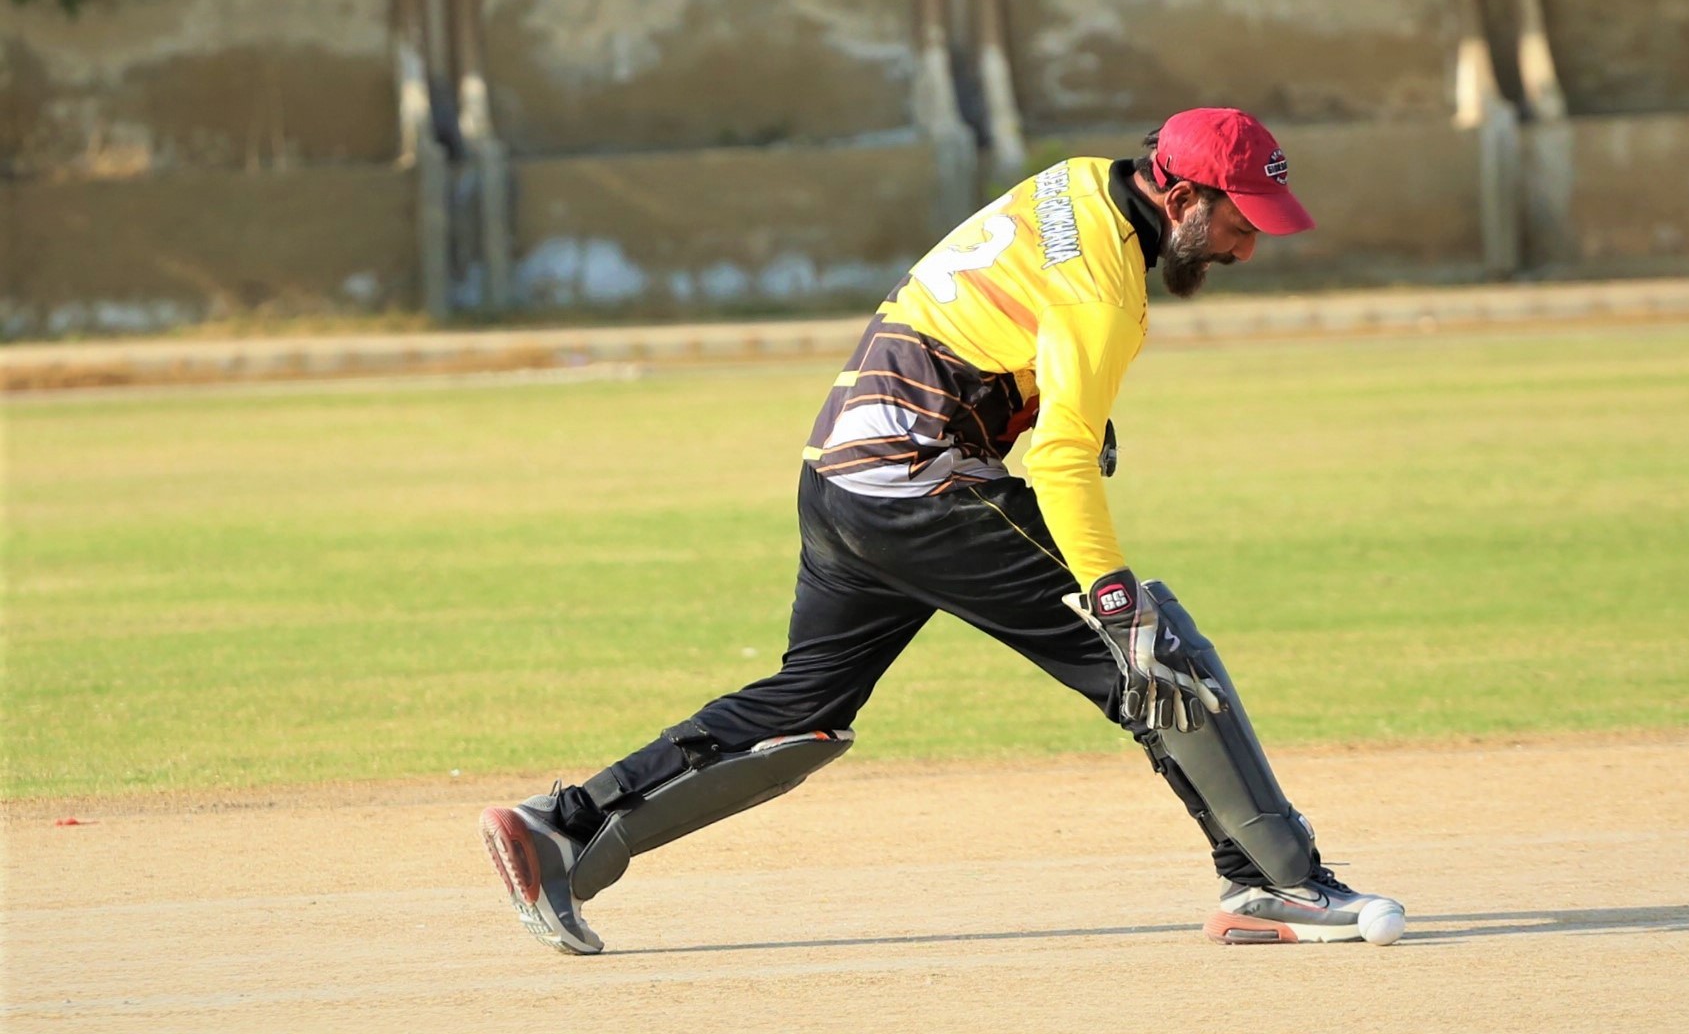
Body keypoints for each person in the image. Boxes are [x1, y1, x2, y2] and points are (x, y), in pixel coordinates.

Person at [480, 107, 1406, 954]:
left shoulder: (1076, 183)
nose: (1250, 244)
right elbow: (1063, 459)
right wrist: (1114, 598)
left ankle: (562, 828)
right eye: (1241, 220)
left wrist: (1040, 394)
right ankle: (1276, 881)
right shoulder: (1104, 288)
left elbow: (993, 313)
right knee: (1155, 657)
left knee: (805, 711)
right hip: (922, 485)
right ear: (1180, 195)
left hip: (840, 476)